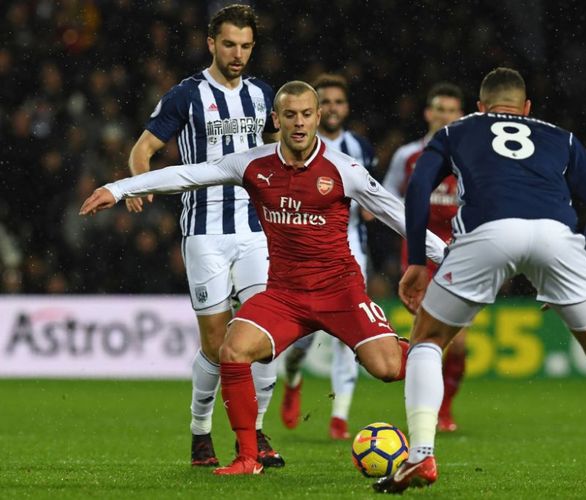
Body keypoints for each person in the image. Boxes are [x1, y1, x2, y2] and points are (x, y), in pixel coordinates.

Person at [79, 80, 447, 476]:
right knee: (233, 350)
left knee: (388, 369)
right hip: (285, 296)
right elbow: (188, 175)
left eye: (307, 114)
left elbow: (399, 216)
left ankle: (421, 352)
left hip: (339, 292)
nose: (299, 123)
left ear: (318, 117)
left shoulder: (345, 170)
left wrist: (451, 258)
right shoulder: (253, 164)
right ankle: (248, 457)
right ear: (276, 119)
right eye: (290, 115)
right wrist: (118, 189)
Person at [373, 67, 586, 495]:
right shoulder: (561, 136)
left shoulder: (458, 131)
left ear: (481, 108)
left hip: (488, 231)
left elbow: (419, 187)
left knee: (427, 339)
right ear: (526, 108)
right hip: (556, 234)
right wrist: (581, 260)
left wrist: (414, 260)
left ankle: (420, 457)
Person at [125, 4, 283, 468]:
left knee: (264, 337)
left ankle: (253, 434)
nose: (238, 54)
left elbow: (278, 148)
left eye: (246, 46)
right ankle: (200, 432)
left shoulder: (261, 93)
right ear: (211, 44)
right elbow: (143, 150)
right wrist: (139, 185)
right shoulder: (186, 95)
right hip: (205, 234)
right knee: (217, 347)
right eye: (230, 44)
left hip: (256, 231)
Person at [280, 73, 378, 440]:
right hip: (306, 249)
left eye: (340, 102)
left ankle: (339, 416)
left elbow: (371, 195)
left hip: (352, 249)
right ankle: (292, 378)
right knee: (299, 341)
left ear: (346, 108)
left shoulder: (362, 148)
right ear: (317, 112)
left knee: (348, 336)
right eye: (328, 103)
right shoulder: (298, 144)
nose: (334, 108)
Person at [382, 82, 466, 432]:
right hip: (419, 256)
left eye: (451, 111)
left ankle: (443, 408)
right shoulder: (408, 156)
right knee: (429, 336)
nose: (445, 116)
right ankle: (425, 411)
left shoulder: (471, 156)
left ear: (460, 116)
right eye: (439, 109)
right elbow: (386, 198)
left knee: (458, 347)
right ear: (428, 113)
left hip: (461, 254)